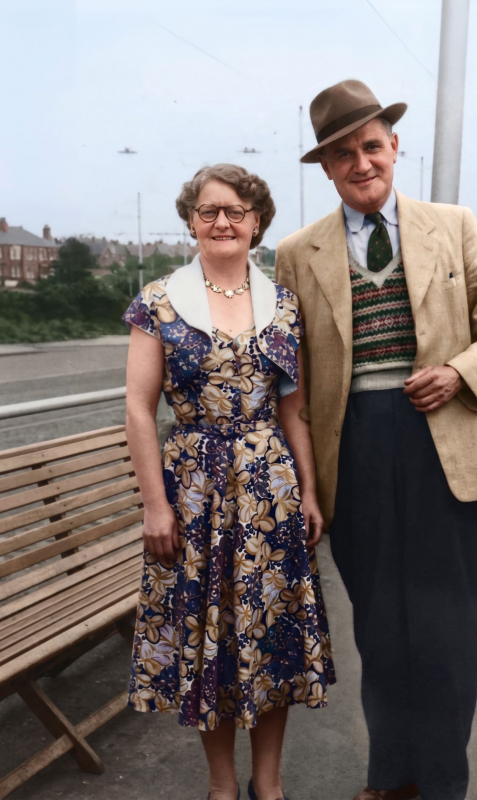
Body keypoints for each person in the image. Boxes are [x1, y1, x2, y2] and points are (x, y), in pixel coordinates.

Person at [275, 80, 477, 800]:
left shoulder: (452, 225)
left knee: (450, 628)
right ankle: (391, 776)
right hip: (353, 451)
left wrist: (458, 372)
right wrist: (306, 485)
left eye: (372, 146)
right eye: (343, 153)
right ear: (326, 167)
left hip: (445, 448)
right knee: (381, 632)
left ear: (394, 147)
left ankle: (443, 780)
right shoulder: (297, 253)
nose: (362, 163)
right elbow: (289, 375)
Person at [123, 163, 335, 800]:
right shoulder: (159, 302)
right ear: (191, 221)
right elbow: (138, 407)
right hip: (192, 492)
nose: (222, 222)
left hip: (270, 490)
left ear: (257, 224)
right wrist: (155, 506)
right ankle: (221, 786)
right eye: (209, 211)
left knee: (270, 637)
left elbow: (293, 408)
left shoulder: (284, 305)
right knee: (204, 640)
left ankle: (267, 785)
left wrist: (311, 491)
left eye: (235, 212)